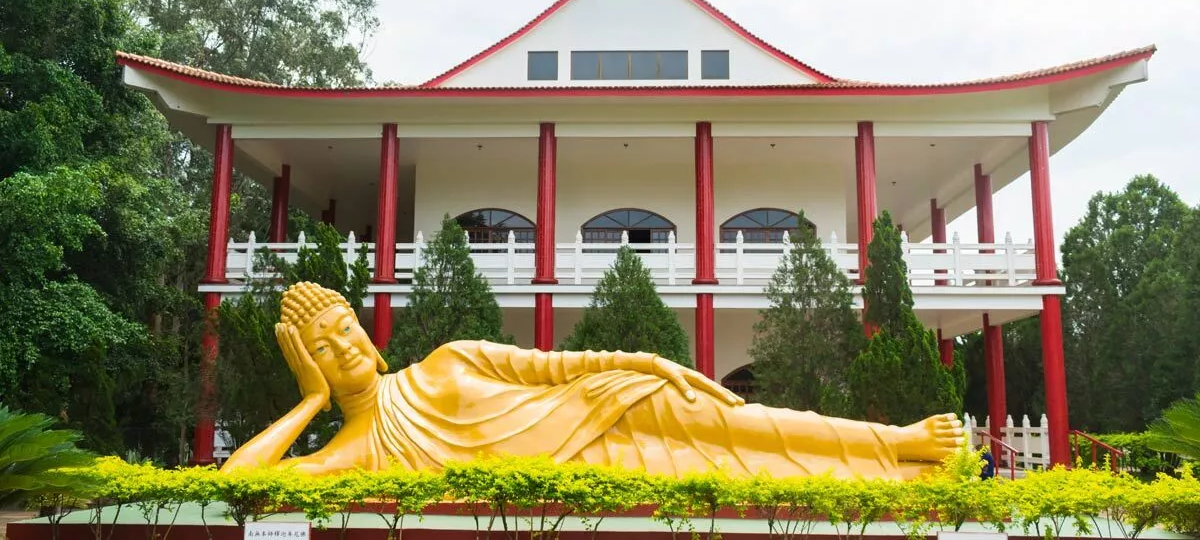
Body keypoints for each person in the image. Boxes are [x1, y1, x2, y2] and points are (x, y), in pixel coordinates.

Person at [221, 282, 964, 479]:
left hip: (607, 402)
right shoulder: (358, 447)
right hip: (594, 464)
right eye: (323, 348)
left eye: (347, 329)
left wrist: (648, 363)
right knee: (740, 469)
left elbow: (557, 367)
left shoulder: (447, 359)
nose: (344, 348)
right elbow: (240, 482)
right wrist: (311, 401)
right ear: (308, 362)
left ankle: (892, 442)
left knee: (743, 424)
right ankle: (887, 467)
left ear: (369, 334)